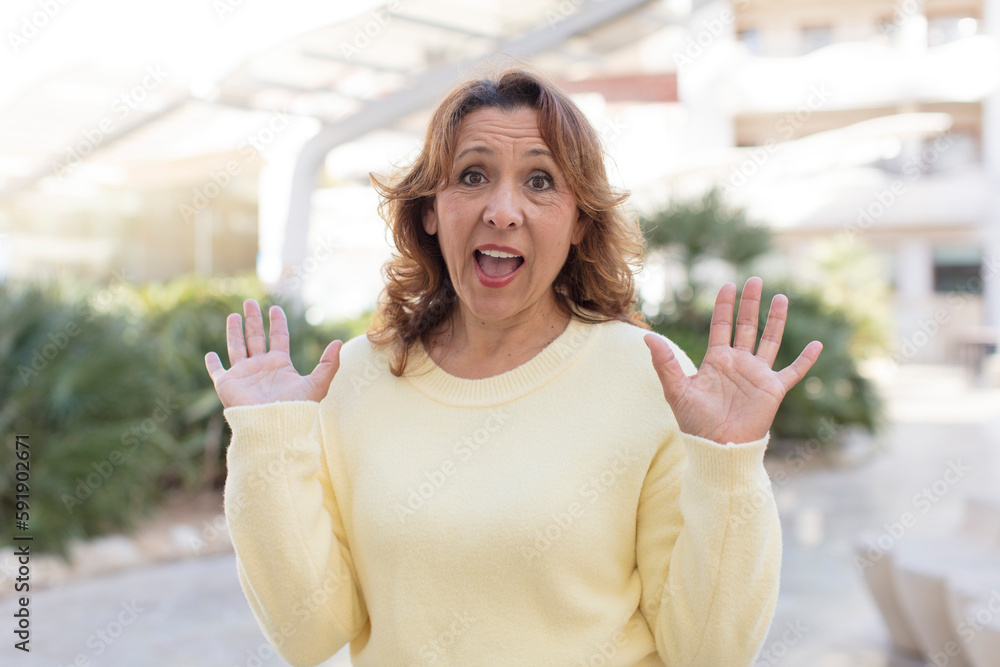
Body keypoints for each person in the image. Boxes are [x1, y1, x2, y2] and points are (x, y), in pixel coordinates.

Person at [205, 68, 823, 667]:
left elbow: (710, 654)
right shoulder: (357, 379)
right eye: (472, 176)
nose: (502, 210)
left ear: (580, 220)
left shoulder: (648, 377)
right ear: (429, 210)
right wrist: (267, 445)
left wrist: (729, 464)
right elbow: (306, 635)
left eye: (540, 181)